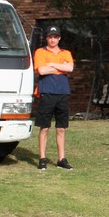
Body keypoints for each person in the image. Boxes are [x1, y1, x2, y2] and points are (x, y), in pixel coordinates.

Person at [34, 26, 74, 170]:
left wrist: (51, 65)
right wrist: (60, 68)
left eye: (55, 37)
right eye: (50, 37)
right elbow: (42, 70)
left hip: (63, 92)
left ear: (59, 38)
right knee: (45, 127)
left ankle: (61, 159)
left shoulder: (66, 52)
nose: (52, 39)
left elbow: (70, 68)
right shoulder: (40, 52)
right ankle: (42, 158)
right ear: (46, 38)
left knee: (61, 128)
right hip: (47, 91)